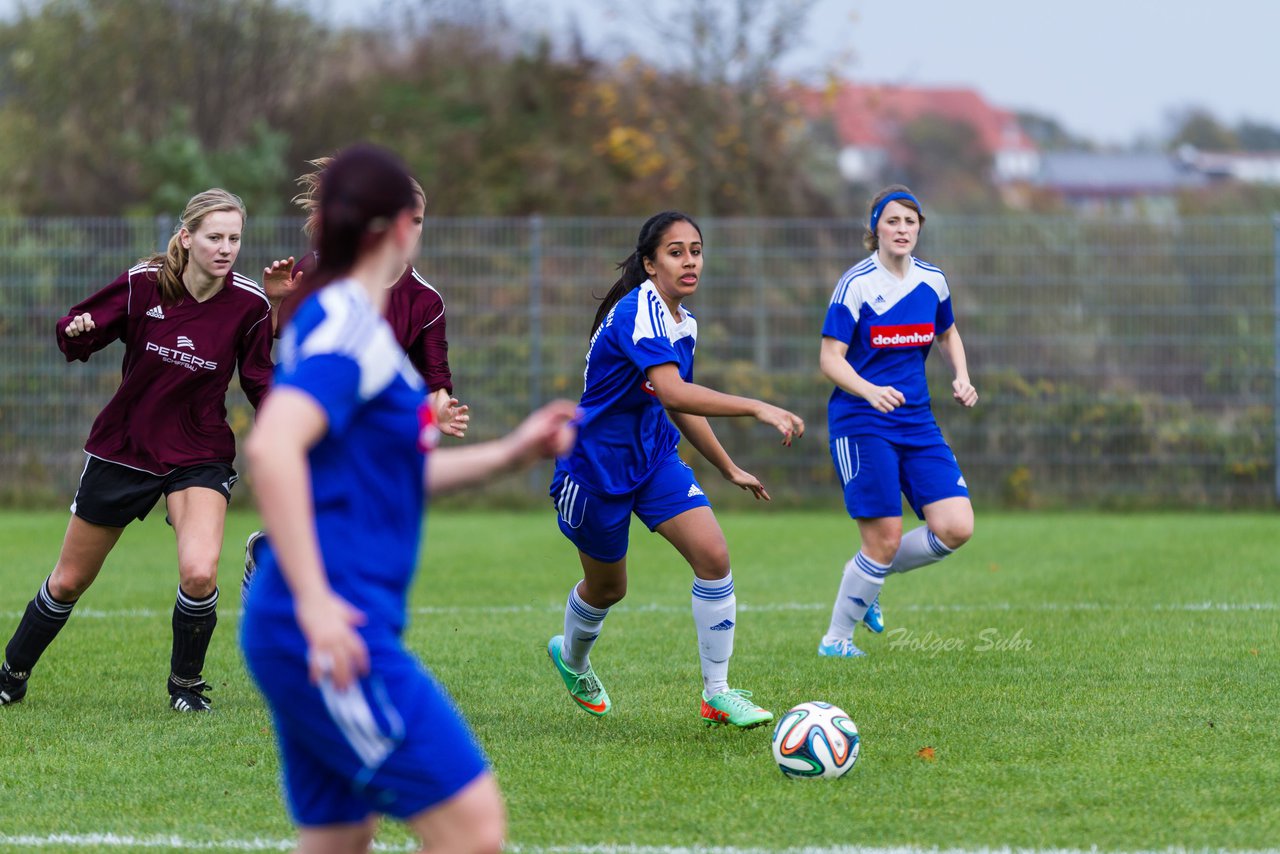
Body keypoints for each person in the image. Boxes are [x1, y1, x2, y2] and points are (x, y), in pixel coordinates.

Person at [240, 144, 576, 854]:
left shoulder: (338, 318)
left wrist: (511, 450)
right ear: (399, 228)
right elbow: (271, 448)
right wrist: (315, 602)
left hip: (316, 626)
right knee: (474, 828)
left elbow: (392, 474)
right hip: (331, 630)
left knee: (338, 839)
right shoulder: (348, 329)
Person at [0, 189, 294, 711]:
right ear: (187, 237)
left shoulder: (250, 303)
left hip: (199, 449)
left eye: (234, 238)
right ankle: (12, 673)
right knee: (68, 581)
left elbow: (258, 378)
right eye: (214, 237)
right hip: (124, 447)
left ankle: (185, 687)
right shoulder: (144, 285)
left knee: (200, 571)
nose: (226, 248)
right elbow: (76, 333)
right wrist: (80, 330)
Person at [546, 211, 805, 729]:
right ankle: (571, 657)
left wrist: (728, 466)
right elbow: (672, 390)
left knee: (713, 555)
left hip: (654, 459)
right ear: (650, 264)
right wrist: (757, 406)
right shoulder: (639, 309)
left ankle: (717, 692)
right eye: (675, 251)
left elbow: (678, 406)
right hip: (594, 470)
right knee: (607, 590)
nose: (690, 261)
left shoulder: (683, 323)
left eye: (696, 250)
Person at [241, 157, 467, 600]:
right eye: (404, 219)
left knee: (349, 524)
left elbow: (435, 373)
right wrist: (274, 305)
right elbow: (281, 340)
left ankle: (275, 560)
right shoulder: (322, 275)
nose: (412, 229)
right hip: (311, 410)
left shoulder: (425, 301)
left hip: (367, 420)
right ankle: (303, 599)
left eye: (419, 220)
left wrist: (439, 406)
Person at [817, 184, 978, 658]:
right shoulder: (856, 284)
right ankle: (836, 641)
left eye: (910, 221)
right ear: (875, 229)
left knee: (955, 526)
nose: (902, 229)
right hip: (861, 421)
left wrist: (962, 376)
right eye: (892, 220)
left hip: (917, 422)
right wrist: (868, 389)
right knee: (883, 539)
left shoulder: (933, 281)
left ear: (919, 228)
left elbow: (948, 333)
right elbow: (830, 358)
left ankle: (871, 578)